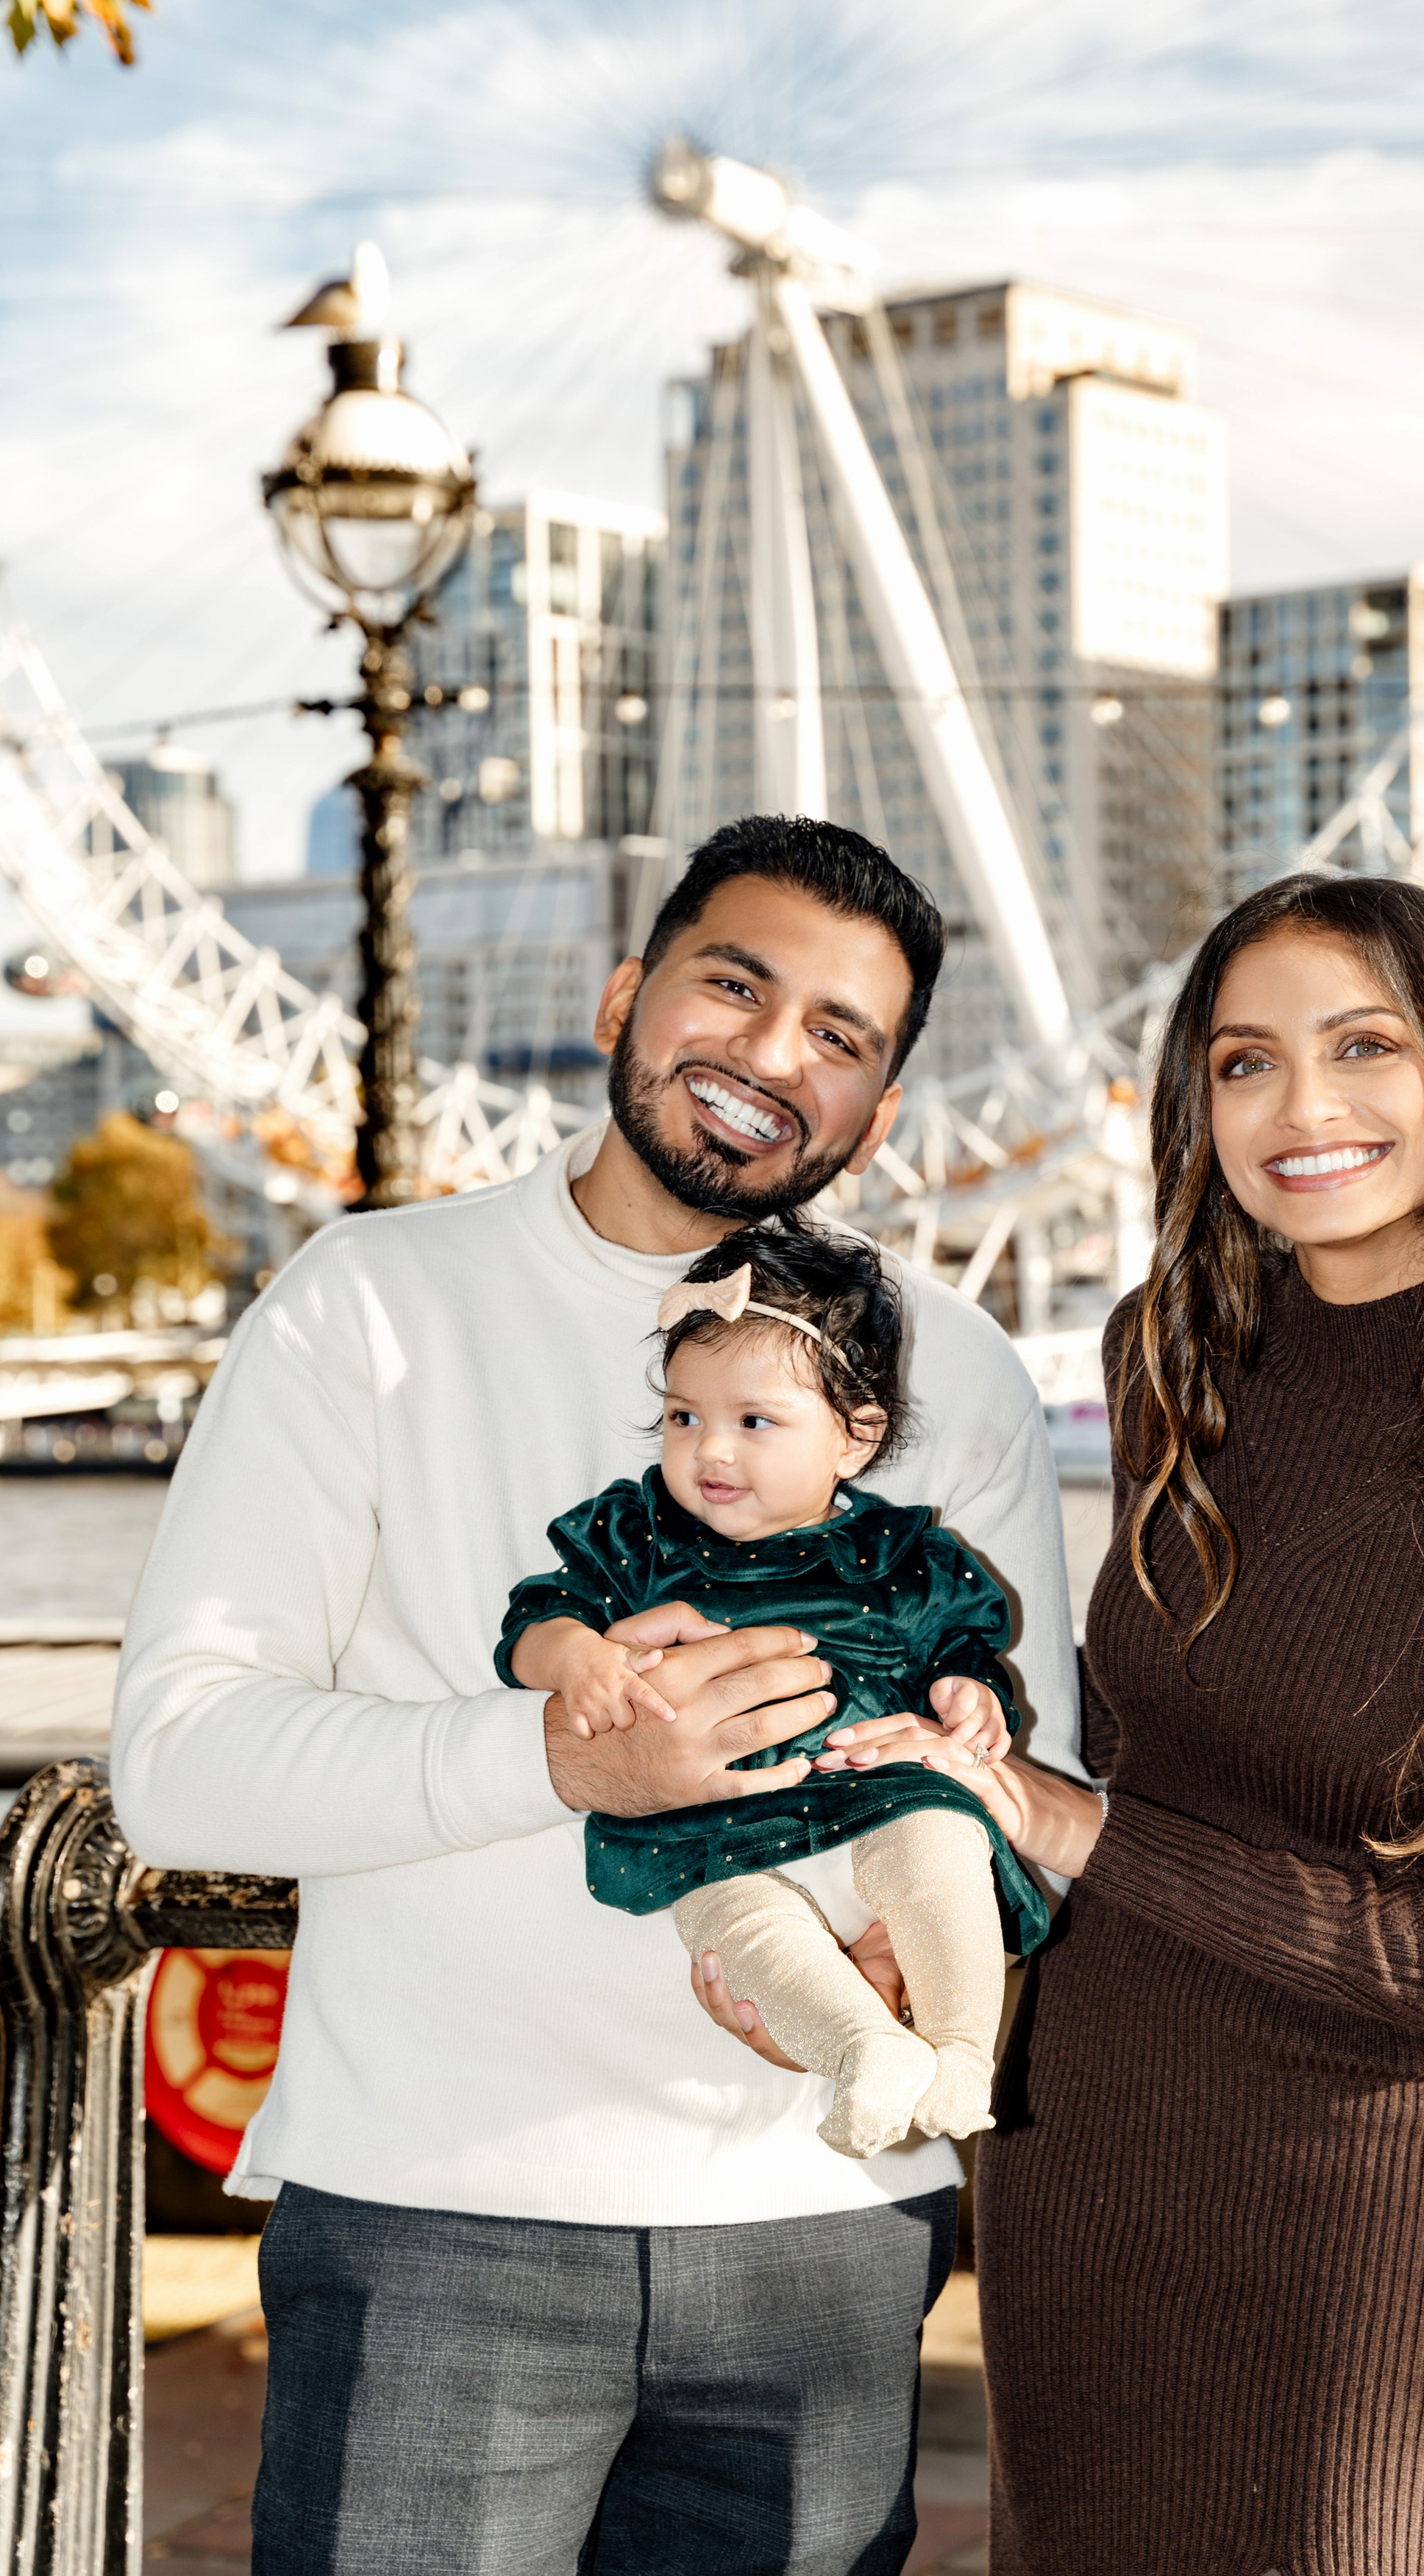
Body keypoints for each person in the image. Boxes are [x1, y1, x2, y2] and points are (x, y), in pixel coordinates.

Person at [110, 815, 1081, 2576]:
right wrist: (563, 1756)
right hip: (435, 2212)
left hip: (825, 2218)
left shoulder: (963, 1370)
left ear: (875, 1110)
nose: (774, 1054)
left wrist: (905, 1938)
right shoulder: (368, 1307)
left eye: (842, 1038)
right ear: (625, 995)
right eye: (735, 982)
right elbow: (180, 1761)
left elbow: (1026, 1774)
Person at [814, 872, 1424, 2576]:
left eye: (1361, 1046)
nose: (1301, 1106)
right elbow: (1156, 1755)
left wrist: (1069, 1820)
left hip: (1363, 2232)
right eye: (1243, 1061)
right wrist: (964, 1858)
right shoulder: (1175, 1353)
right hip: (1081, 2166)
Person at [498, 1218, 1049, 2162]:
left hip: (876, 1793)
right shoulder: (639, 1534)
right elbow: (535, 1618)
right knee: (734, 1923)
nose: (710, 1451)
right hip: (714, 1829)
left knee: (941, 1840)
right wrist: (572, 1659)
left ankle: (958, 2050)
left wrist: (969, 1689)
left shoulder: (899, 1553)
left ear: (855, 1437)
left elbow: (961, 1641)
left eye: (753, 1421)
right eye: (682, 1416)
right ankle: (863, 2046)